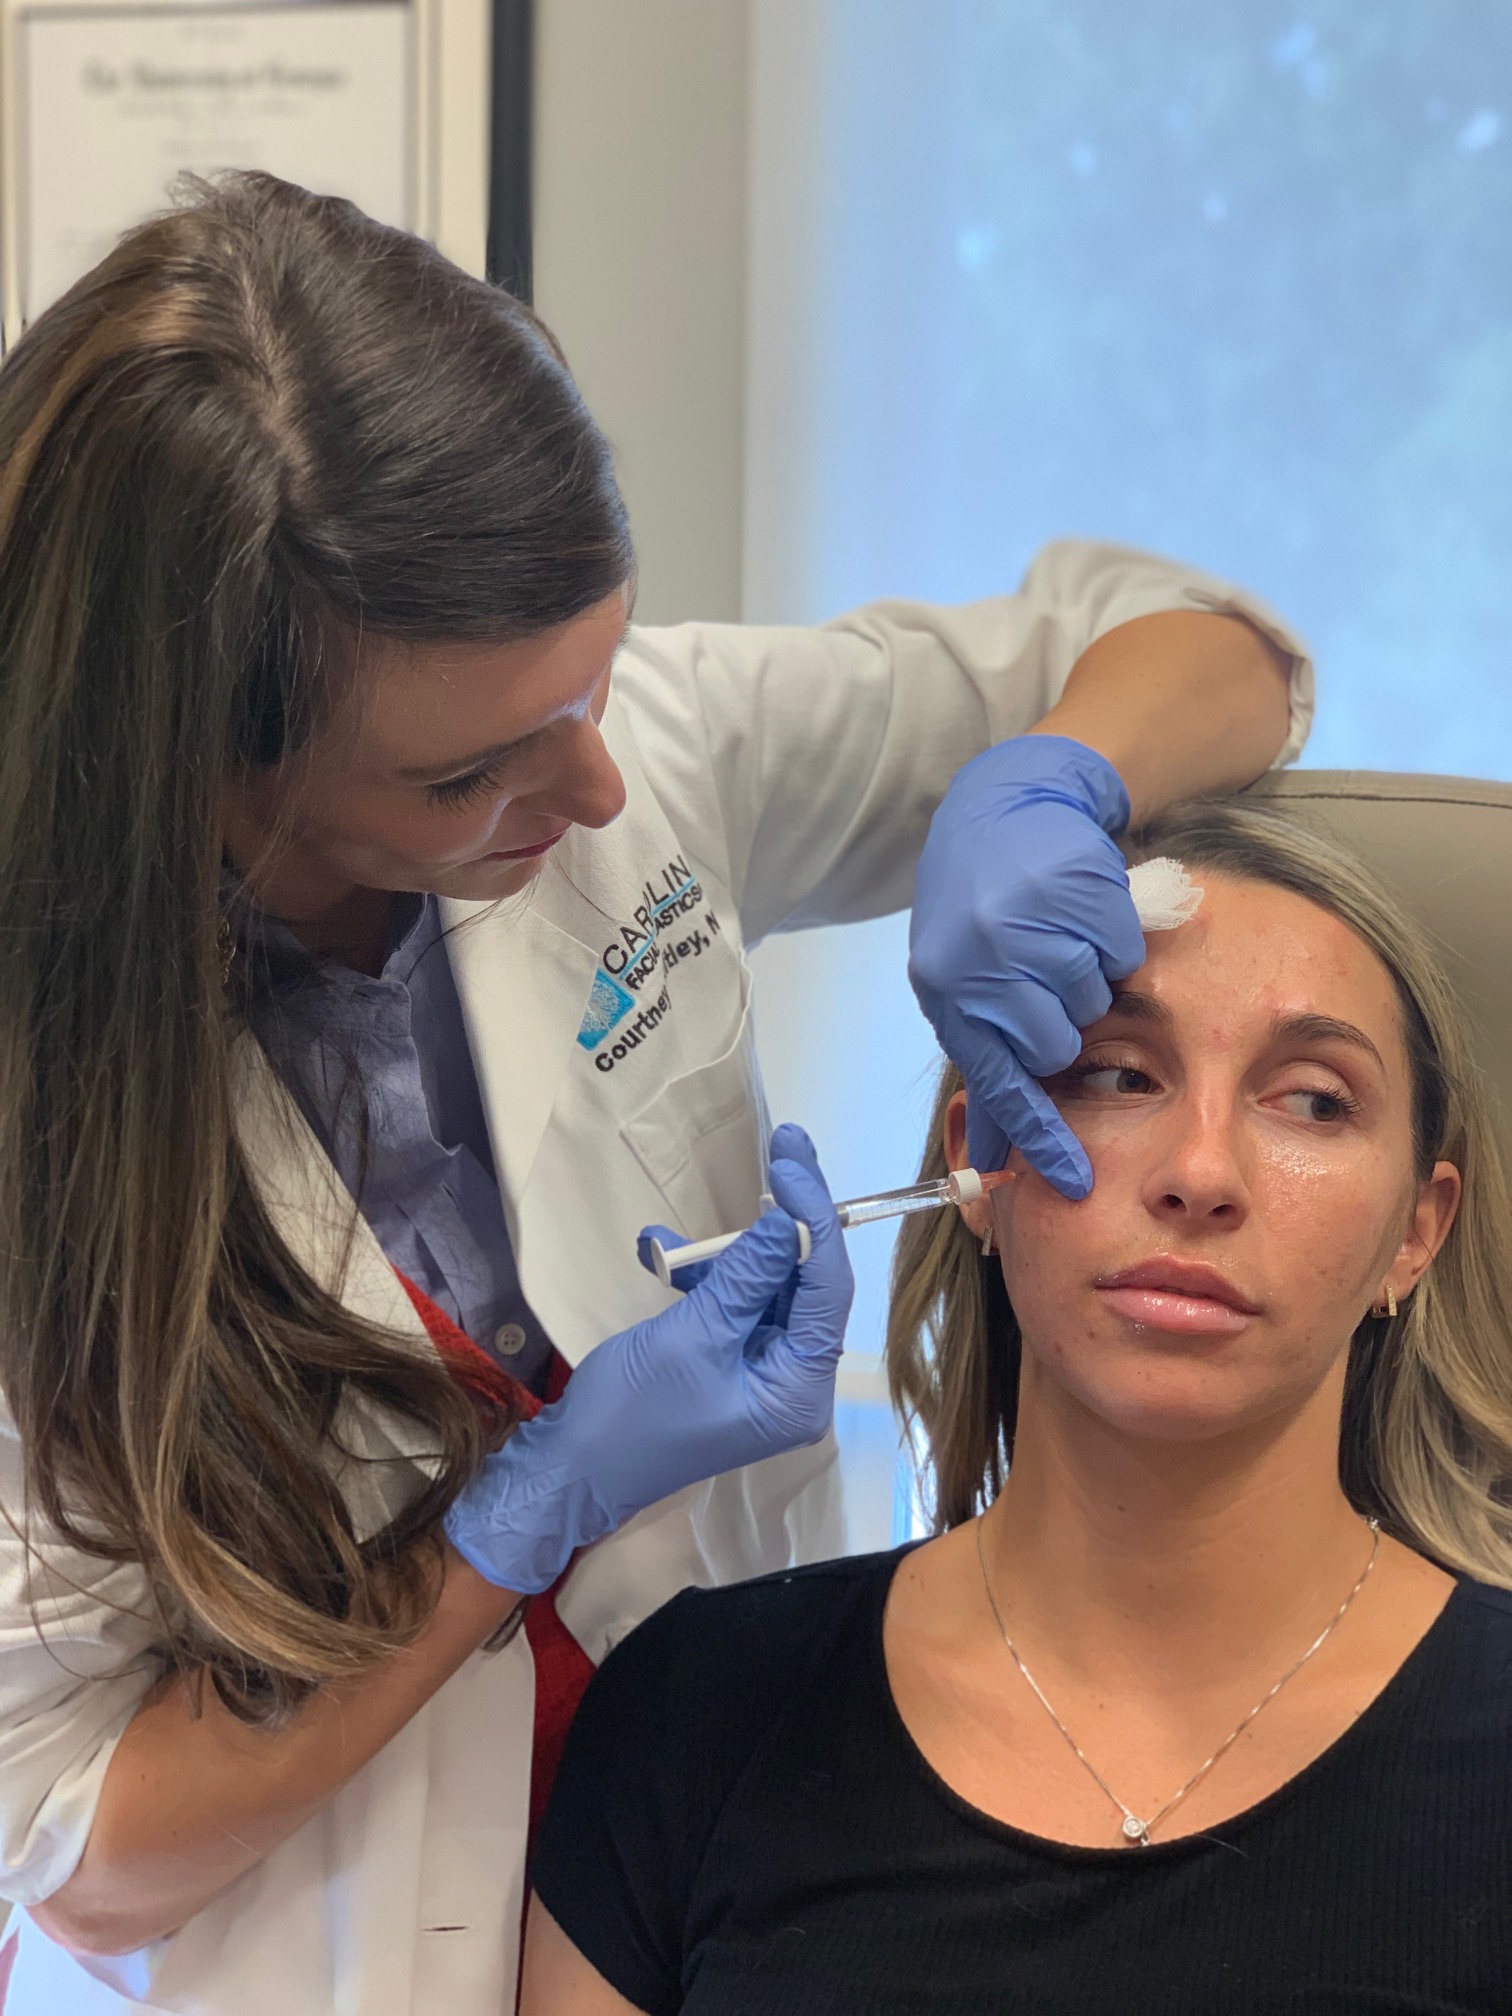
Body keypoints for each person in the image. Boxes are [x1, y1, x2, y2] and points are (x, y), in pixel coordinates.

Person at [0, 168, 1309, 2016]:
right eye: (471, 778)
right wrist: (505, 1525)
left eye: (596, 676)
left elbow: (1210, 654)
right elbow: (86, 1850)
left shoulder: (643, 754)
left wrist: (1057, 780)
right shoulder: (42, 1117)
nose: (599, 794)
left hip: (764, 1857)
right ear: (203, 771)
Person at [524, 800, 1512, 2015]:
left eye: (1312, 1101)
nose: (1201, 1174)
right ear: (977, 1167)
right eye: (1115, 1074)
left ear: (1419, 1231)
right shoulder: (697, 1713)